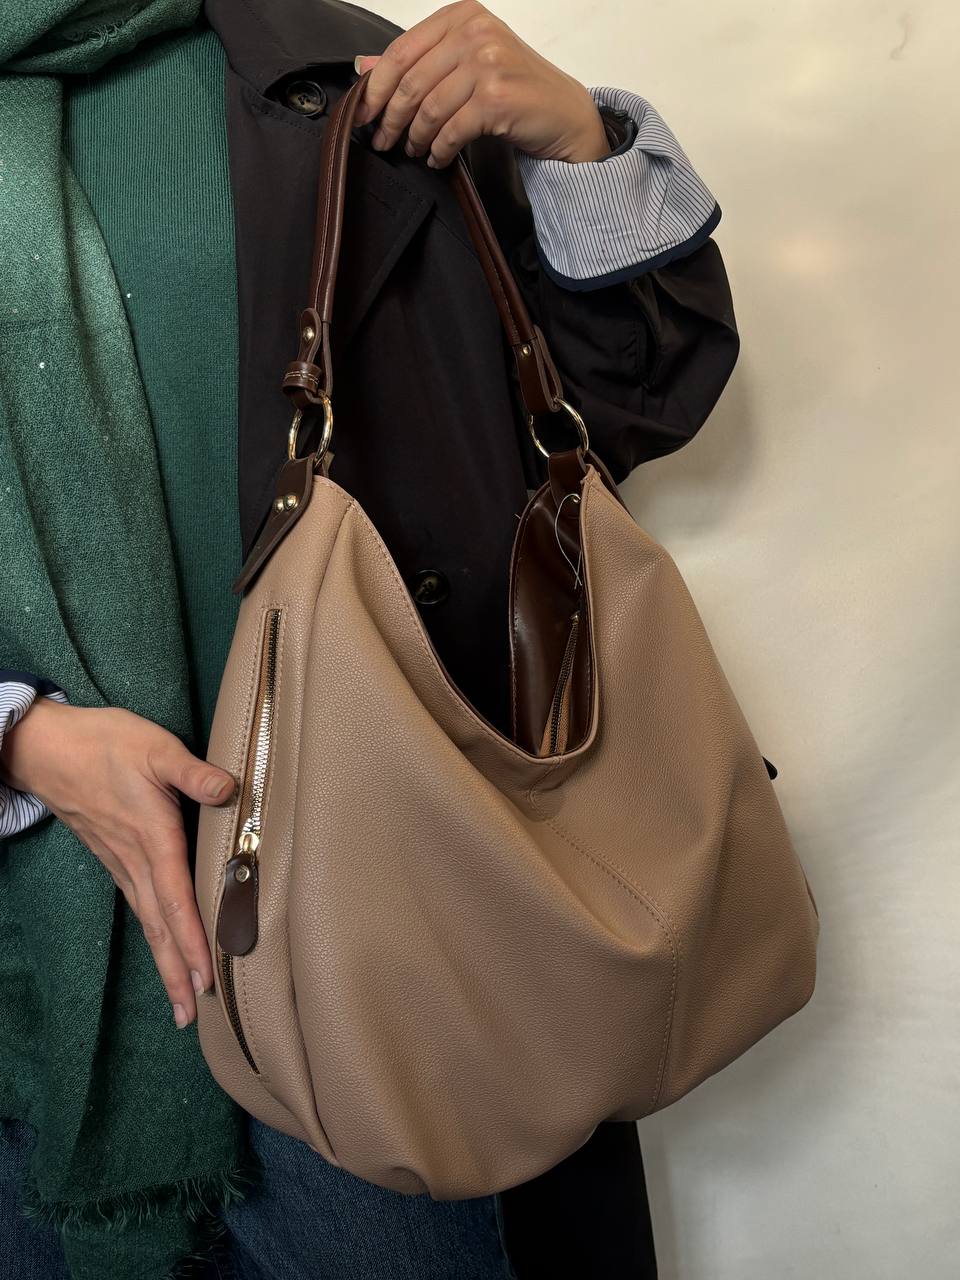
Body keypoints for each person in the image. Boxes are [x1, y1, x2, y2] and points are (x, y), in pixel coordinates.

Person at [0, 0, 740, 1276]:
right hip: (43, 975)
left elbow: (628, 398)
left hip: (394, 927)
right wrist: (22, 742)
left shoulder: (337, 65)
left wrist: (582, 143)